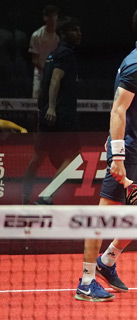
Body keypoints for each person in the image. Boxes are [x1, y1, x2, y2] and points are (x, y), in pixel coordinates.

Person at [75, 4, 137, 302]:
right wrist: (117, 156)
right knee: (103, 217)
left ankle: (108, 260)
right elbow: (118, 110)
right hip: (128, 156)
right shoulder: (136, 65)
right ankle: (86, 281)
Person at [22, 16, 81, 205]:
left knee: (37, 158)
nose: (79, 34)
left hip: (47, 114)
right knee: (73, 155)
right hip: (61, 115)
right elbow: (55, 79)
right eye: (75, 30)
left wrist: (44, 108)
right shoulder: (66, 54)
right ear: (63, 34)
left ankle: (24, 198)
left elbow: (45, 84)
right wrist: (53, 108)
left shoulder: (51, 55)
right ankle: (46, 196)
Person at [29, 5, 60, 99]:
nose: (53, 19)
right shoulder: (36, 35)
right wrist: (46, 69)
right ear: (45, 18)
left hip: (55, 73)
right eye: (51, 16)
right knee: (36, 99)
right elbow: (34, 60)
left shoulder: (60, 37)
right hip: (40, 73)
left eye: (55, 16)